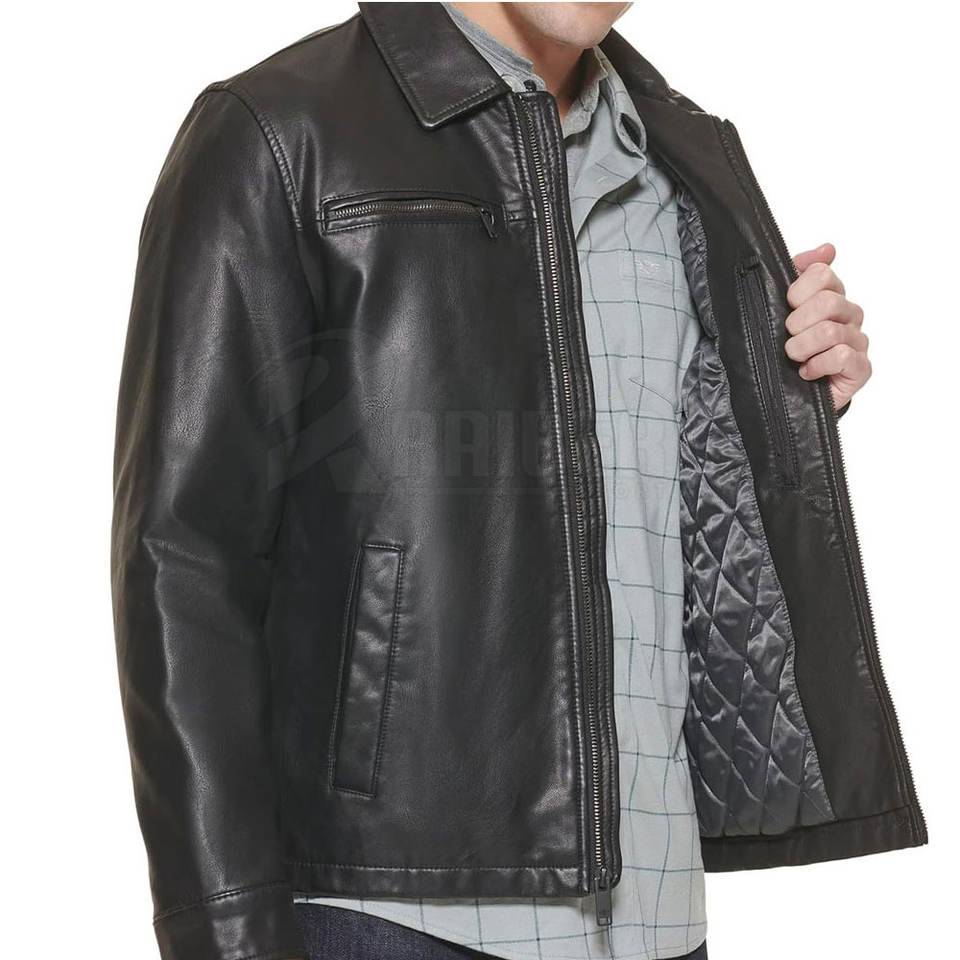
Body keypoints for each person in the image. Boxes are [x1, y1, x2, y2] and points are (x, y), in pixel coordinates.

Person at [110, 4, 926, 960]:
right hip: (390, 910)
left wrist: (779, 395)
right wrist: (226, 935)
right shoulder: (281, 132)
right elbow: (183, 558)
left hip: (659, 913)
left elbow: (645, 499)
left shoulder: (681, 155)